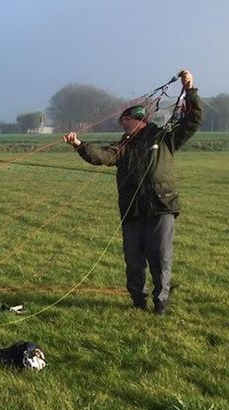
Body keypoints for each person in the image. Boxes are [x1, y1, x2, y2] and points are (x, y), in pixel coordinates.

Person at [62, 69, 203, 315]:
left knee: (159, 257)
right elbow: (103, 156)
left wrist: (190, 90)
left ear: (138, 120)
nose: (123, 126)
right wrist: (79, 145)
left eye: (125, 122)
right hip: (132, 209)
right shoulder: (122, 147)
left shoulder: (166, 137)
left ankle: (161, 302)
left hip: (161, 206)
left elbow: (192, 121)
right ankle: (138, 301)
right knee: (134, 260)